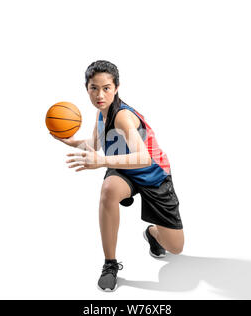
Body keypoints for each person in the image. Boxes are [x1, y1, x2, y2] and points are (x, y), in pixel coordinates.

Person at [51, 60, 184, 292]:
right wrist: (69, 140)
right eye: (94, 88)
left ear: (117, 87)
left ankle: (152, 233)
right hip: (124, 169)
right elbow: (95, 143)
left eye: (106, 88)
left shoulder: (122, 116)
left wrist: (102, 161)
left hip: (154, 175)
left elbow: (143, 158)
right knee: (108, 190)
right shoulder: (100, 113)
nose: (100, 94)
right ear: (87, 88)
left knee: (176, 247)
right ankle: (110, 264)